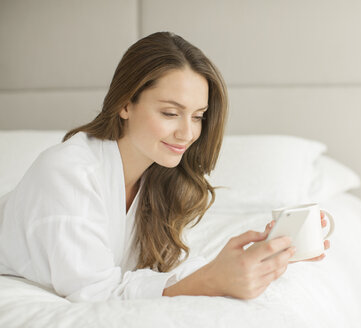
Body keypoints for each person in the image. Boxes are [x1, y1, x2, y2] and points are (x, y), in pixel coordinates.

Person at [0, 31, 329, 302]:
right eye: (170, 113)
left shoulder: (158, 178)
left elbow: (153, 278)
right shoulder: (68, 173)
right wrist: (211, 282)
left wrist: (261, 254)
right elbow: (98, 297)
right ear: (125, 103)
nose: (187, 133)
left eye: (198, 116)